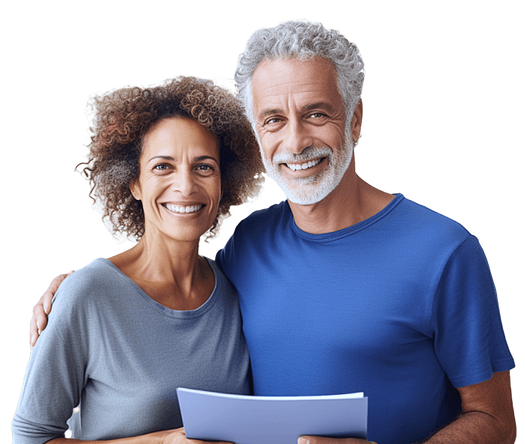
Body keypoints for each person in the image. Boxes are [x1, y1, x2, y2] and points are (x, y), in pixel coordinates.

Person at [28, 15, 517, 444]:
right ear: (257, 133)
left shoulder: (447, 253)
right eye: (274, 119)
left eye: (316, 114)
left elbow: (496, 422)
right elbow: (164, 289)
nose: (296, 141)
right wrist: (80, 283)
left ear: (355, 119)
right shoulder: (248, 245)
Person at [12, 75, 265, 443]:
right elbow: (29, 437)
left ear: (224, 182)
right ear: (135, 182)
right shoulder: (87, 294)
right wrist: (161, 442)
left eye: (204, 166)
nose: (185, 185)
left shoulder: (234, 288)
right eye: (163, 166)